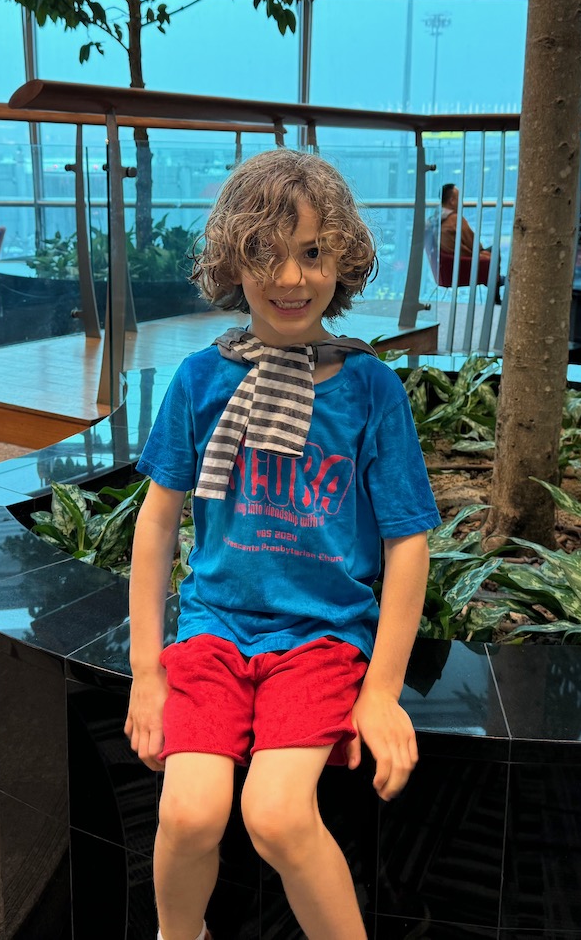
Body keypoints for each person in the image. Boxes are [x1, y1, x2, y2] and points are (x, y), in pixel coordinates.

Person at [125, 149, 439, 940]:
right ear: (234, 260)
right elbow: (157, 523)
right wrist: (144, 673)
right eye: (264, 252)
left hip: (320, 637)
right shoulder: (202, 381)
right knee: (190, 811)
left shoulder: (370, 389)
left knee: (275, 814)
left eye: (311, 252)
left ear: (344, 260)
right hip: (215, 632)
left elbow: (408, 543)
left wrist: (381, 691)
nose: (290, 278)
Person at [438, 181, 493, 281]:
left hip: (447, 267)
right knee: (494, 251)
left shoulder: (436, 220)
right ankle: (495, 289)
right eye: (459, 198)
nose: (461, 202)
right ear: (452, 201)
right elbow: (473, 243)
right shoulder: (455, 219)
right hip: (463, 265)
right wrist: (482, 251)